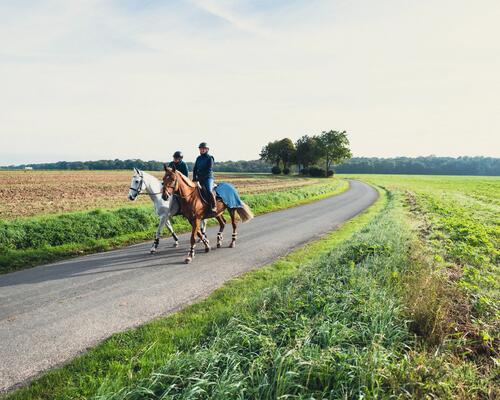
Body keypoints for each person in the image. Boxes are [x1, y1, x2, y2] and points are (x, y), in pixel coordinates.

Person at [193, 142, 217, 213]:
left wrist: (201, 177)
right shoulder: (198, 158)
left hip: (208, 178)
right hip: (199, 178)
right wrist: (194, 177)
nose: (202, 150)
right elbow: (195, 168)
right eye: (201, 149)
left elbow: (208, 170)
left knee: (209, 190)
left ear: (207, 150)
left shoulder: (210, 158)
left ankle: (214, 206)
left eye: (203, 149)